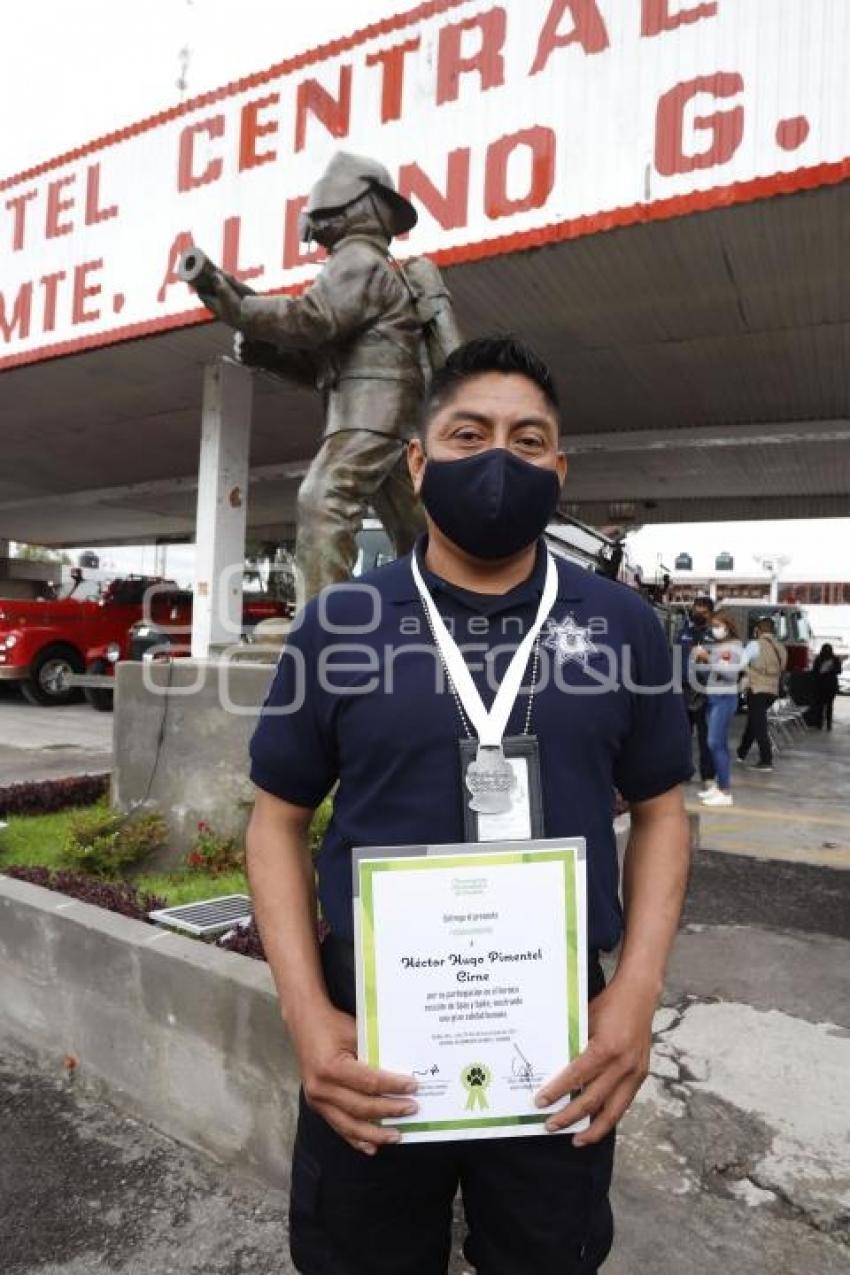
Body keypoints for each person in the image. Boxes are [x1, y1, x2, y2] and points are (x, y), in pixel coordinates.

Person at [246, 335, 693, 1275]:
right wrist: (304, 1012)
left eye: (529, 441)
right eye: (468, 433)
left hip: (561, 1040)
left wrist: (636, 995)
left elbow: (660, 809)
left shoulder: (623, 626)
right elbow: (276, 818)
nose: (500, 459)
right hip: (370, 1040)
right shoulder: (338, 624)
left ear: (560, 467)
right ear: (418, 460)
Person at [192, 151, 459, 601]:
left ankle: (327, 632)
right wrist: (268, 354)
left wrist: (231, 302)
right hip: (390, 415)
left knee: (324, 499)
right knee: (422, 535)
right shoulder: (369, 265)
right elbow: (326, 369)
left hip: (373, 416)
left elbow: (310, 319)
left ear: (353, 206)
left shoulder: (359, 259)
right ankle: (449, 614)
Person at [695, 610, 747, 807]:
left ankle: (725, 791)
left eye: (717, 626)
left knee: (715, 743)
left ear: (728, 626)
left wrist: (707, 658)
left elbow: (730, 673)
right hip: (715, 697)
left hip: (724, 698)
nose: (714, 630)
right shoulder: (721, 645)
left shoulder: (733, 646)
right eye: (713, 626)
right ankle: (718, 786)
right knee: (716, 744)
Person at [737, 617, 787, 771]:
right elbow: (783, 668)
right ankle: (742, 753)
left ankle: (766, 760)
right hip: (772, 691)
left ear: (758, 630)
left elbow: (740, 663)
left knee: (759, 725)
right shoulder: (781, 647)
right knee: (754, 721)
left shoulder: (754, 644)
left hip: (757, 689)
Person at [677, 596, 715, 788]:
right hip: (684, 688)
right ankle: (684, 771)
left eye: (701, 612)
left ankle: (708, 775)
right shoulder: (684, 632)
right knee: (682, 734)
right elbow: (675, 657)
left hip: (706, 691)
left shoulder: (717, 635)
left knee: (706, 735)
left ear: (709, 613)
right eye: (695, 610)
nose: (697, 614)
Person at [811, 642, 843, 731]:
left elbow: (814, 672)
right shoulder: (835, 659)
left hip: (820, 686)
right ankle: (828, 725)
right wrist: (831, 670)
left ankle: (820, 724)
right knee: (829, 706)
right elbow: (839, 671)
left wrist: (825, 671)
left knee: (820, 706)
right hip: (831, 685)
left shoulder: (819, 659)